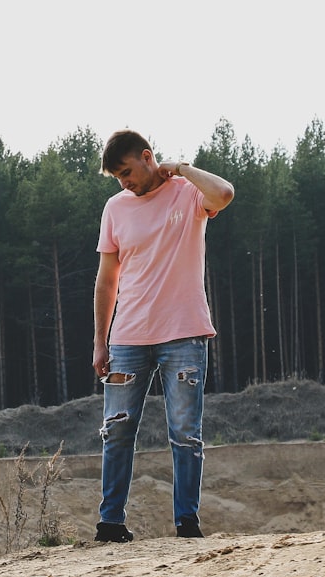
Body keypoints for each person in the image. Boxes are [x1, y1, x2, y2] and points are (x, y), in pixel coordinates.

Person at [92, 129, 234, 542]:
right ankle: (110, 524)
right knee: (116, 429)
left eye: (127, 171)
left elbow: (223, 194)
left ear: (148, 157)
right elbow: (106, 280)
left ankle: (186, 524)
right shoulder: (115, 208)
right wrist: (101, 340)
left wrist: (183, 169)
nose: (124, 182)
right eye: (117, 176)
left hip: (184, 334)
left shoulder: (187, 194)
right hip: (128, 337)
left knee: (185, 432)